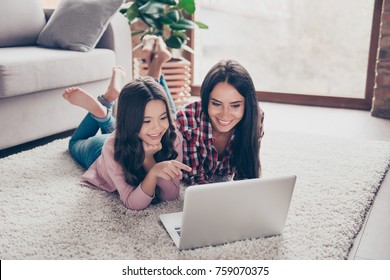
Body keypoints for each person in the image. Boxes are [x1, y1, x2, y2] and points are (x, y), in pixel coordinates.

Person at [63, 38, 191, 210]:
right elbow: (132, 203)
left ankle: (105, 110)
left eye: (163, 117)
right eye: (147, 121)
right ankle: (104, 106)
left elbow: (171, 195)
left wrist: (149, 161)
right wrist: (152, 167)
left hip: (128, 133)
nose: (158, 127)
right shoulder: (111, 147)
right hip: (102, 152)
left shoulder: (174, 137)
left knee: (147, 111)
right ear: (131, 122)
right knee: (74, 143)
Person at [176, 60, 265, 185]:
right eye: (217, 104)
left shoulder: (255, 118)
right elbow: (195, 180)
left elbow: (247, 174)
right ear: (206, 100)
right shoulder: (186, 121)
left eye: (235, 106)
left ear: (247, 105)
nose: (225, 114)